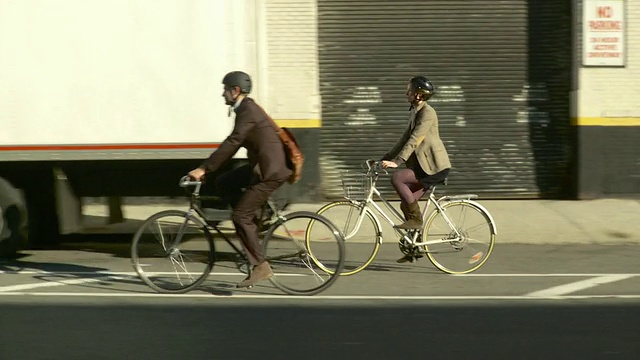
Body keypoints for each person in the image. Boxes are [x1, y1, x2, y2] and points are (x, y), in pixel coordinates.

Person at [188, 71, 292, 288]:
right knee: (224, 182)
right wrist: (211, 171)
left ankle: (260, 266)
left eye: (225, 89)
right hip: (262, 167)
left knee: (239, 216)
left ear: (235, 91)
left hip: (269, 173)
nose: (222, 94)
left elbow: (233, 142)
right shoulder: (246, 108)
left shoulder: (248, 111)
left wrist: (204, 168)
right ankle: (253, 221)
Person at [380, 76, 452, 263]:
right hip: (423, 166)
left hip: (433, 167)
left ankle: (416, 222)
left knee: (398, 179)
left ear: (419, 95)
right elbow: (404, 138)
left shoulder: (428, 113)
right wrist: (386, 157)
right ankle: (415, 246)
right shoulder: (416, 111)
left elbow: (415, 140)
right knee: (406, 202)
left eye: (410, 91)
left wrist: (398, 162)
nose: (407, 93)